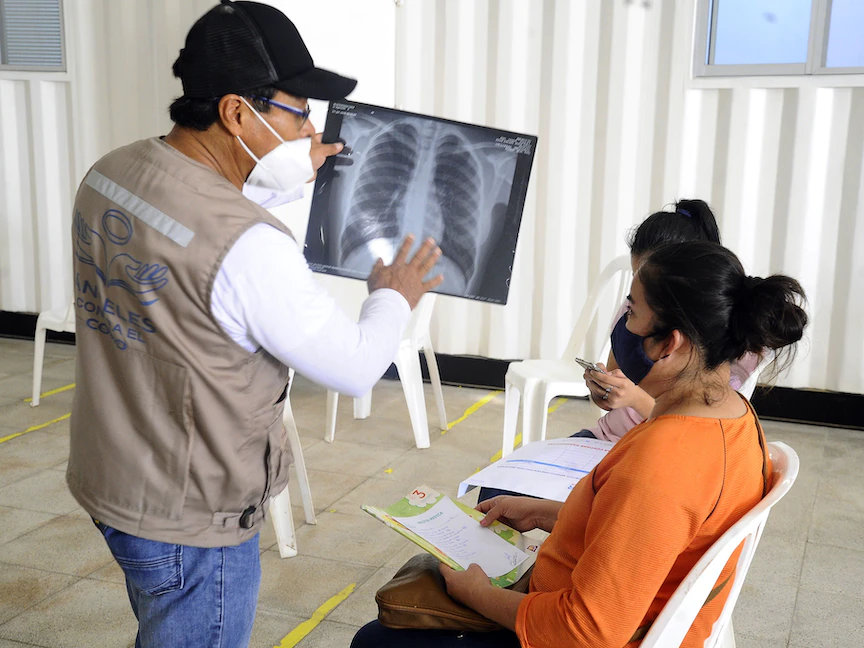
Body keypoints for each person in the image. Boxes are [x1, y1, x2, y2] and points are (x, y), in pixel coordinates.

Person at [66, 2, 442, 646]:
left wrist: (283, 177)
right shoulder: (249, 246)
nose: (309, 130)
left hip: (115, 478)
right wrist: (393, 296)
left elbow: (190, 237)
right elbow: (351, 368)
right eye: (299, 113)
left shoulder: (111, 174)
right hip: (192, 516)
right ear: (238, 112)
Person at [351, 241, 807, 647]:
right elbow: (648, 534)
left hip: (586, 631)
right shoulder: (734, 417)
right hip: (632, 611)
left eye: (632, 312)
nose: (622, 327)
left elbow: (586, 632)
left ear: (669, 343)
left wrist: (478, 595)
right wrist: (546, 513)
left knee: (376, 641)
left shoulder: (661, 464)